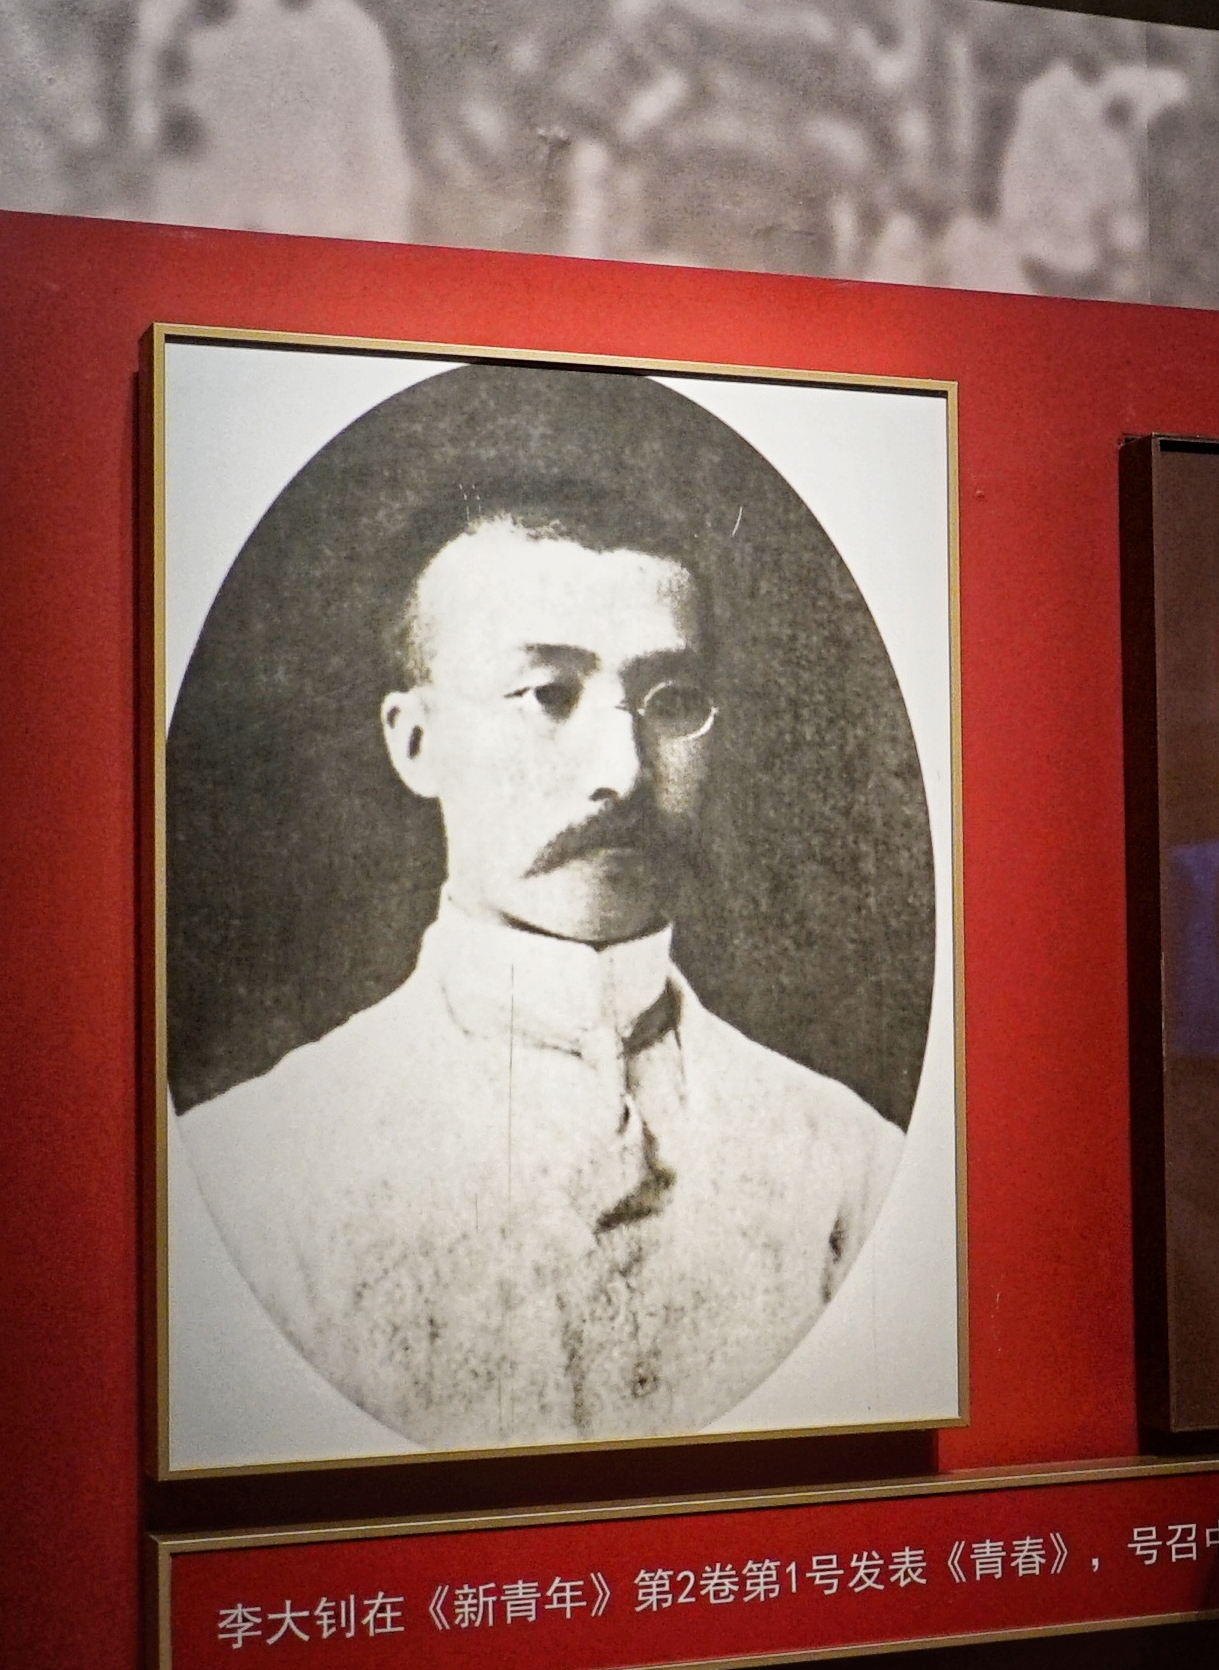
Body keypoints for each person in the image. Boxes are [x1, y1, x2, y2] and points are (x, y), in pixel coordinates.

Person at [178, 376, 903, 1452]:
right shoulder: (251, 1173)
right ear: (414, 741)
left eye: (670, 702)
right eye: (546, 695)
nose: (623, 772)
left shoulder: (848, 1165)